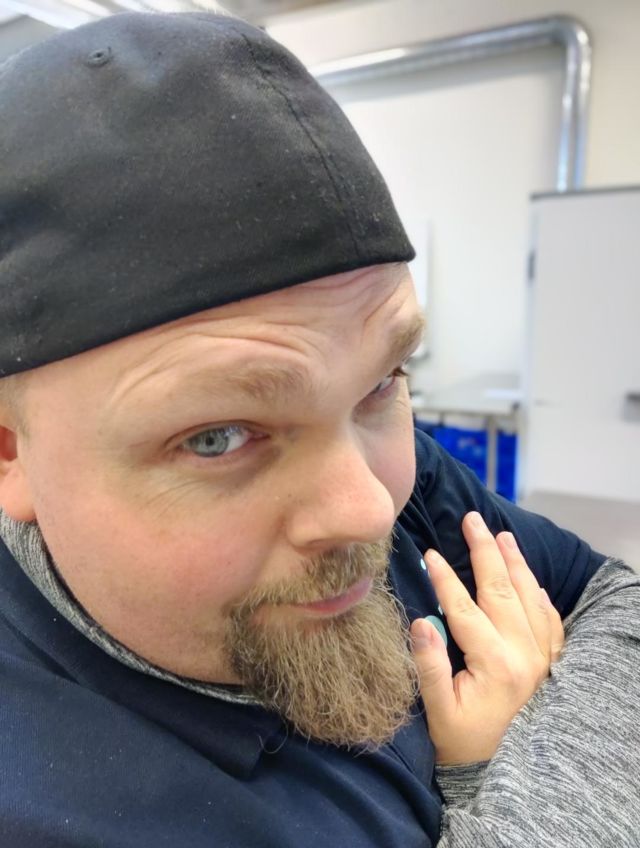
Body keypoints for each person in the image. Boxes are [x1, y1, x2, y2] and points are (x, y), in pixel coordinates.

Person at [0, 11, 637, 847]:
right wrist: (500, 779)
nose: (370, 511)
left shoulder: (368, 460)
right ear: (10, 450)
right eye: (220, 436)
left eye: (383, 381)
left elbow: (615, 598)